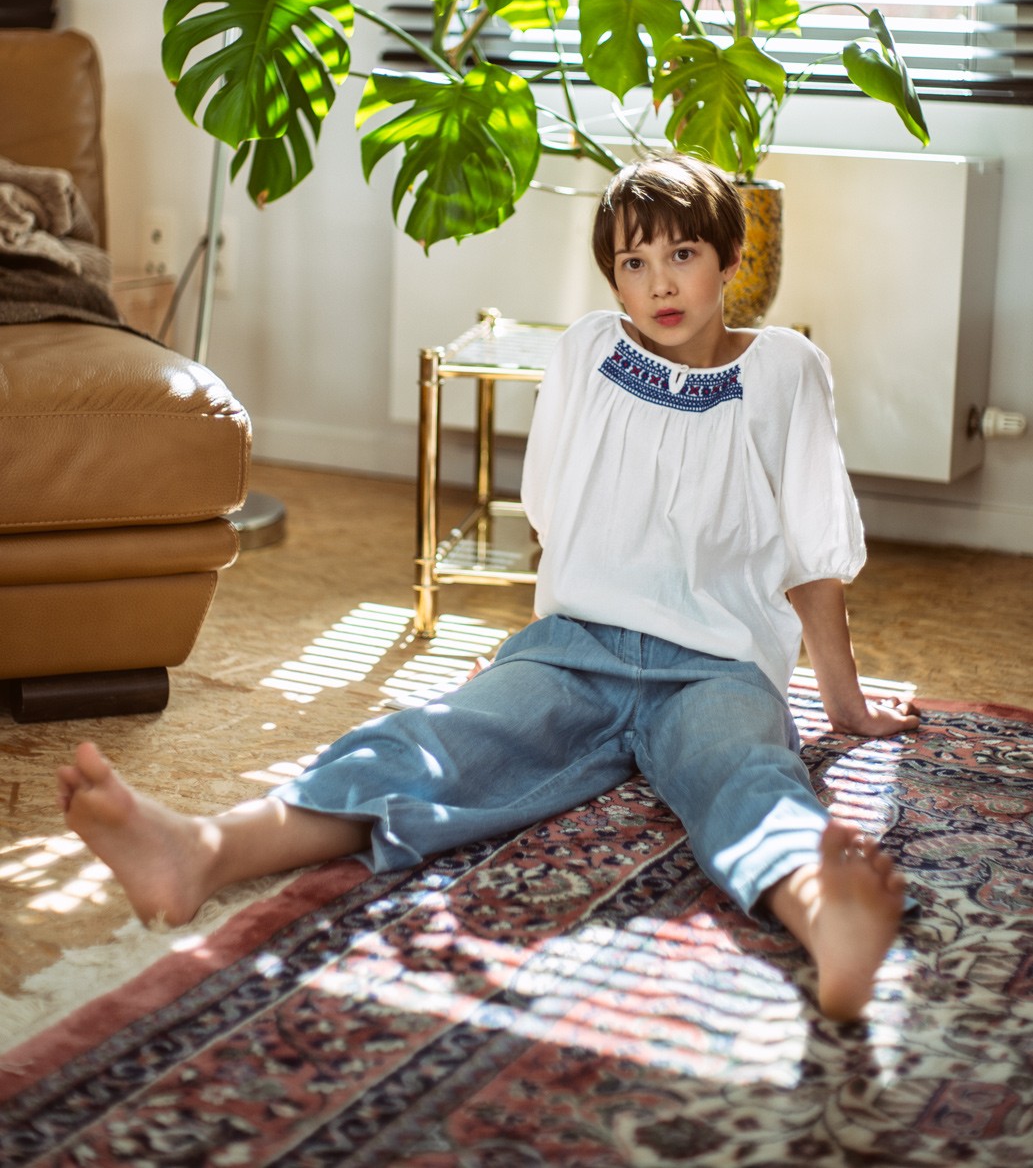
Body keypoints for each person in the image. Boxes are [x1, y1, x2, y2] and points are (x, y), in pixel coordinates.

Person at [58, 154, 919, 1023]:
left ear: (732, 258)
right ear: (612, 280)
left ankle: (827, 915)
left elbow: (812, 551)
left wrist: (841, 703)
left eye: (682, 255)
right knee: (433, 741)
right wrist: (525, 660)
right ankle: (204, 850)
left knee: (740, 772)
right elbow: (556, 514)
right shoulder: (586, 352)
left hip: (716, 667)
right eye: (633, 262)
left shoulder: (786, 370)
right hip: (576, 647)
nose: (659, 282)